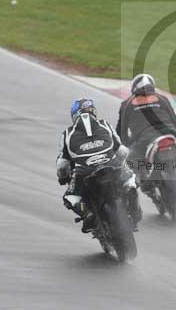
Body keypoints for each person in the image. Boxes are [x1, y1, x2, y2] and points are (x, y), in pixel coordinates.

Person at [57, 98, 142, 232]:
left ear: (74, 115)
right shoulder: (105, 125)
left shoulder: (67, 134)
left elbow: (62, 163)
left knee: (69, 197)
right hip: (111, 165)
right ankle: (130, 190)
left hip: (84, 171)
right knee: (130, 178)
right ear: (94, 112)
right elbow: (121, 151)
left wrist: (62, 176)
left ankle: (87, 213)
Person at [116, 74, 176, 191]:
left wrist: (129, 144)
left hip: (144, 139)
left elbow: (121, 131)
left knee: (131, 166)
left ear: (133, 88)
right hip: (170, 133)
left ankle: (138, 186)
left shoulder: (127, 103)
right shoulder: (161, 98)